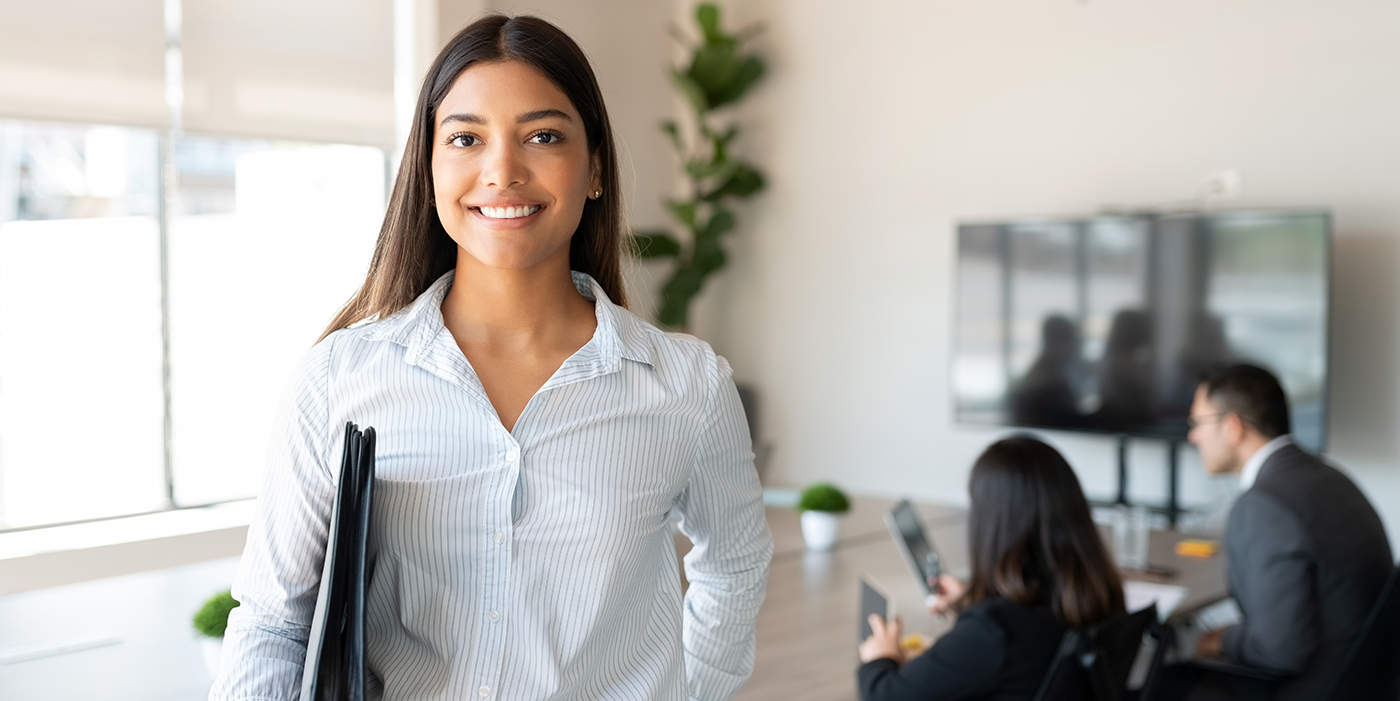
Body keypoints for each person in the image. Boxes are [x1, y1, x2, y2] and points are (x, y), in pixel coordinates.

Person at [211, 15, 772, 701]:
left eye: (542, 136)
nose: (502, 170)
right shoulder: (339, 379)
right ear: (429, 168)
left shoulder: (687, 386)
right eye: (466, 138)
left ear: (594, 166)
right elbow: (273, 624)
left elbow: (736, 566)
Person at [1169, 363, 1392, 700]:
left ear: (1232, 427)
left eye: (1198, 424)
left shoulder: (1264, 505)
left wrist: (1221, 639)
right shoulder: (1330, 478)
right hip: (1369, 682)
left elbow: (1280, 651)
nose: (1192, 436)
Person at [857, 436, 1126, 701]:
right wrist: (969, 602)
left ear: (990, 522)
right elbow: (1027, 635)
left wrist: (880, 658)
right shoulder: (1097, 589)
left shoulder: (992, 632)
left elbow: (885, 693)